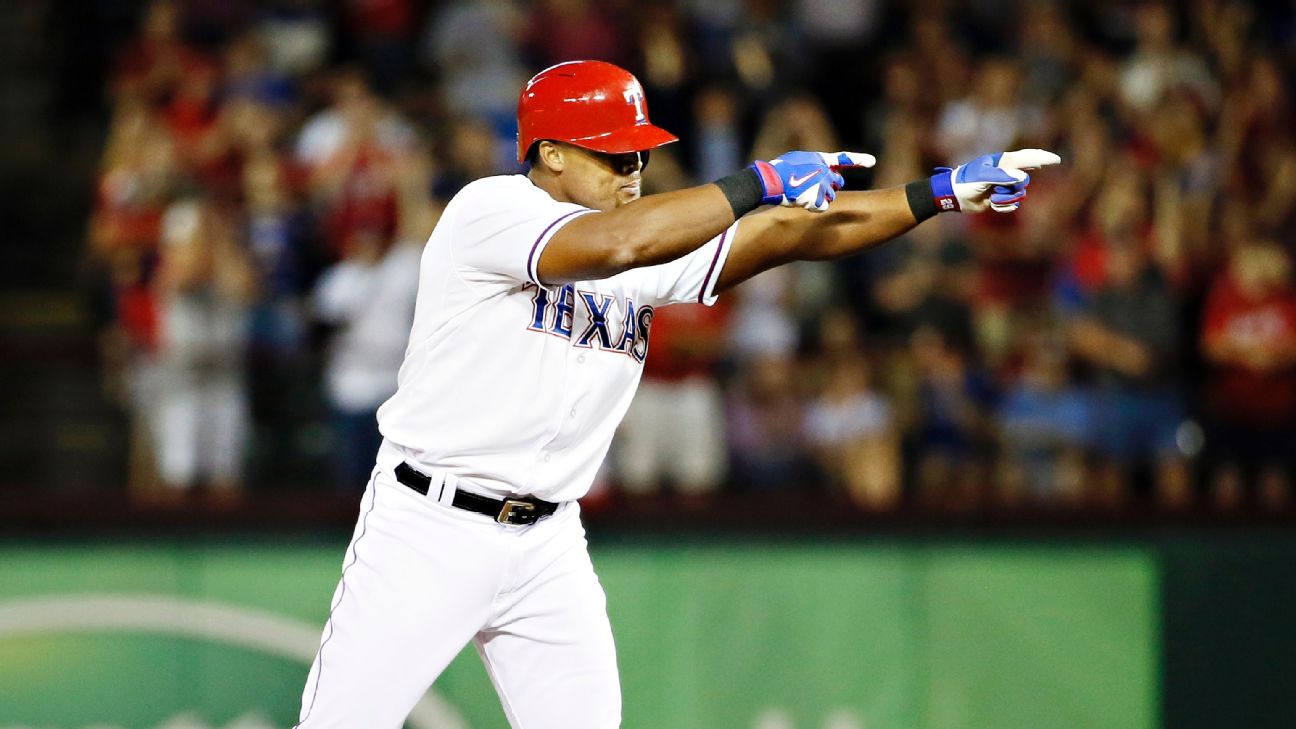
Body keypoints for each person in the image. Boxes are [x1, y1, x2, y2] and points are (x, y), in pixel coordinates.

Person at [295, 60, 1058, 728]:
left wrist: (940, 192)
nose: (632, 167)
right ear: (550, 153)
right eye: (613, 153)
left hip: (547, 542)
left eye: (641, 151)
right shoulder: (489, 212)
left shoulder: (642, 228)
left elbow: (795, 233)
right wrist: (755, 180)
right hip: (429, 525)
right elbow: (620, 246)